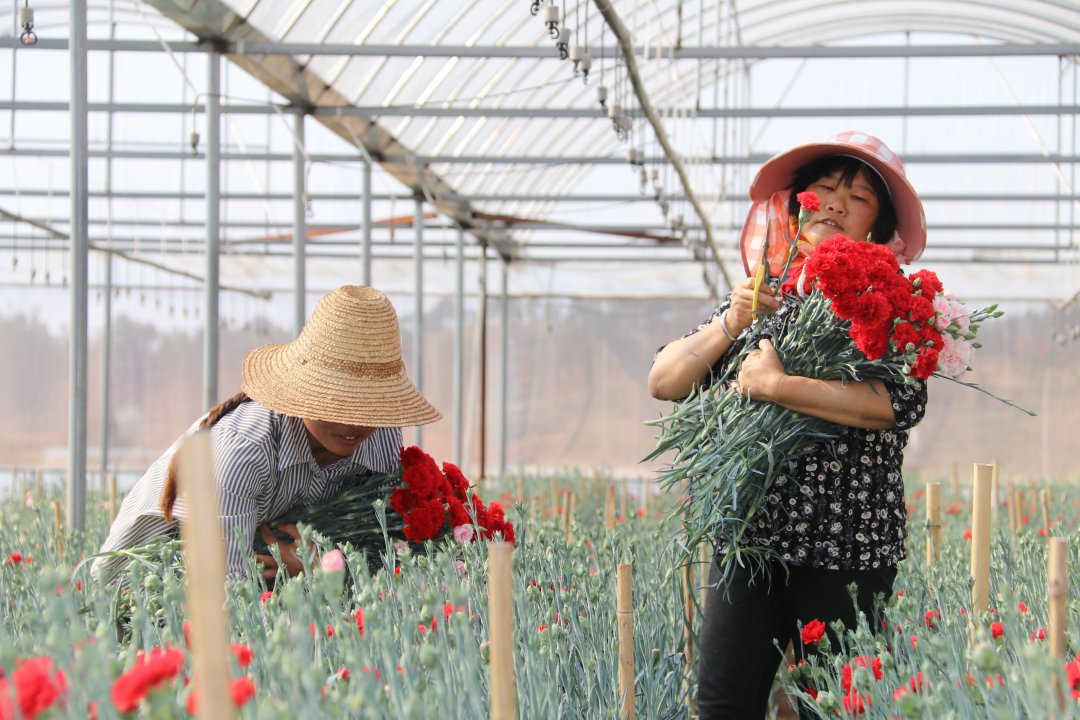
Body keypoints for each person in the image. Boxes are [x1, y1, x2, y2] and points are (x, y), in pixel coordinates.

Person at [648, 131, 928, 719]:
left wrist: (776, 386)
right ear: (796, 204)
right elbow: (664, 380)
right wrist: (729, 323)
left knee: (834, 708)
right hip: (750, 540)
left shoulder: (892, 305)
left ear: (876, 229)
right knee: (722, 704)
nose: (833, 204)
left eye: (857, 198)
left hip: (846, 544)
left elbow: (894, 404)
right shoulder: (761, 297)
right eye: (824, 188)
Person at [92, 285, 440, 583]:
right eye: (334, 404)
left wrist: (322, 566)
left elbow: (381, 552)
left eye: (369, 407)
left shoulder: (380, 439)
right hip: (142, 589)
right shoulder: (243, 451)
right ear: (300, 392)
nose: (352, 424)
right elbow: (221, 586)